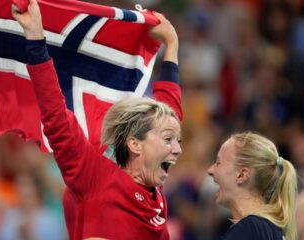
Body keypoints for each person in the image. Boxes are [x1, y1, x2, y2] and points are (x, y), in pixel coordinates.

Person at [12, 0, 182, 239]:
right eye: (168, 140)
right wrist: (36, 40)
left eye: (177, 140)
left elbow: (171, 111)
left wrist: (172, 44)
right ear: (135, 145)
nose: (177, 149)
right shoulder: (95, 177)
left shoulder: (153, 182)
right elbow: (56, 116)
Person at [207, 132, 297, 240]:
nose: (210, 170)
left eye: (218, 163)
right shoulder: (268, 229)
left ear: (242, 175)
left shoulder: (249, 230)